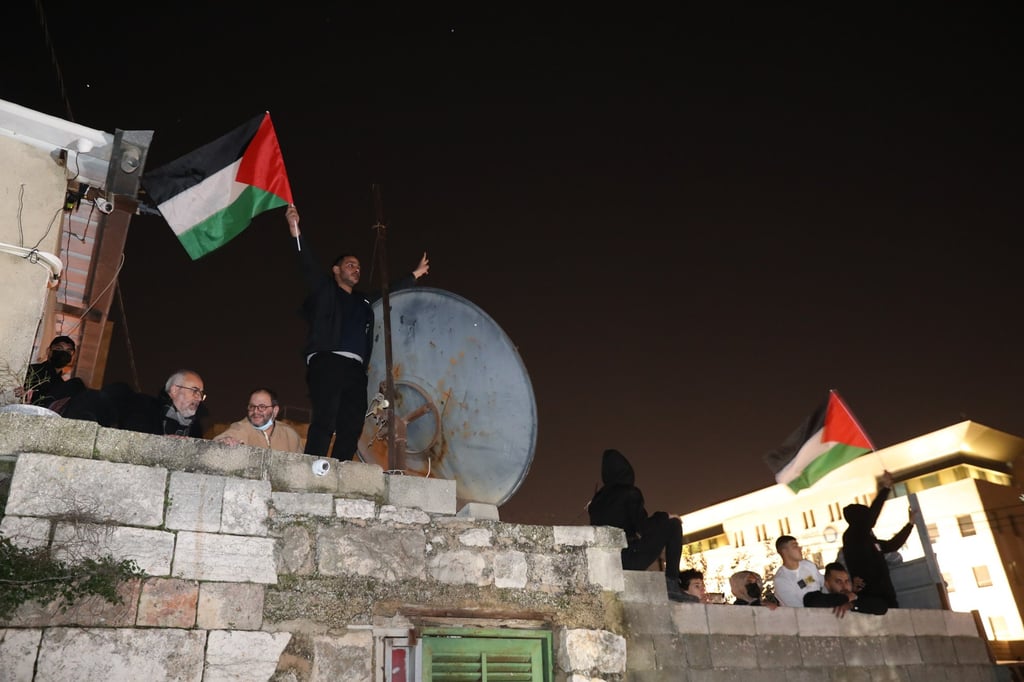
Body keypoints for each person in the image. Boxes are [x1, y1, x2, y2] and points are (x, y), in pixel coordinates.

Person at [285, 204, 430, 460]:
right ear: (336, 270)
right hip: (327, 360)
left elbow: (389, 292)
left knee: (352, 423)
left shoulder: (364, 301)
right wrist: (295, 231)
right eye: (350, 265)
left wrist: (414, 275)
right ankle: (311, 466)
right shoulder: (325, 291)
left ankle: (341, 467)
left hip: (354, 369)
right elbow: (307, 264)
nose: (356, 269)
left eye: (359, 267)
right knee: (325, 418)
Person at [587, 448, 685, 602]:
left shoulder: (596, 501)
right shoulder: (629, 492)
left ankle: (671, 584)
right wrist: (664, 516)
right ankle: (672, 583)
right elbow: (644, 527)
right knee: (673, 525)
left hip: (606, 561)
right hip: (628, 557)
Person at [842, 470, 915, 609]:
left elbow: (892, 545)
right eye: (866, 516)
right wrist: (885, 488)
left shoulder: (869, 539)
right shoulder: (853, 535)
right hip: (870, 593)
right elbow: (871, 518)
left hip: (885, 592)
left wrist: (910, 525)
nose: (871, 521)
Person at [18, 335, 117, 425]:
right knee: (77, 384)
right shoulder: (31, 370)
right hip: (39, 410)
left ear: (72, 357)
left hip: (57, 415)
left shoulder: (61, 384)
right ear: (48, 351)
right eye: (58, 348)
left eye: (68, 351)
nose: (63, 353)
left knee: (89, 415)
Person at [106, 370, 207, 438]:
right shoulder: (143, 406)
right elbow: (132, 438)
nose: (199, 398)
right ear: (175, 390)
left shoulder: (195, 429)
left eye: (201, 394)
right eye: (195, 391)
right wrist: (163, 441)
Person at [214, 388, 302, 452]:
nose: (255, 411)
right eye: (252, 407)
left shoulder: (290, 435)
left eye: (262, 407)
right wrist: (224, 441)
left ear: (275, 411)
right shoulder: (241, 427)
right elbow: (219, 441)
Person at [804, 561, 888, 617]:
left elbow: (881, 607)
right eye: (838, 582)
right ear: (827, 584)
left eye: (847, 581)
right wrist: (843, 599)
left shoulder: (853, 596)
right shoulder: (817, 597)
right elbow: (812, 601)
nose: (844, 586)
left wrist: (852, 605)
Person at [772, 535, 824, 607]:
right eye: (795, 546)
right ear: (784, 551)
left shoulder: (808, 565)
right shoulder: (781, 580)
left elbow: (824, 583)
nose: (800, 548)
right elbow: (796, 607)